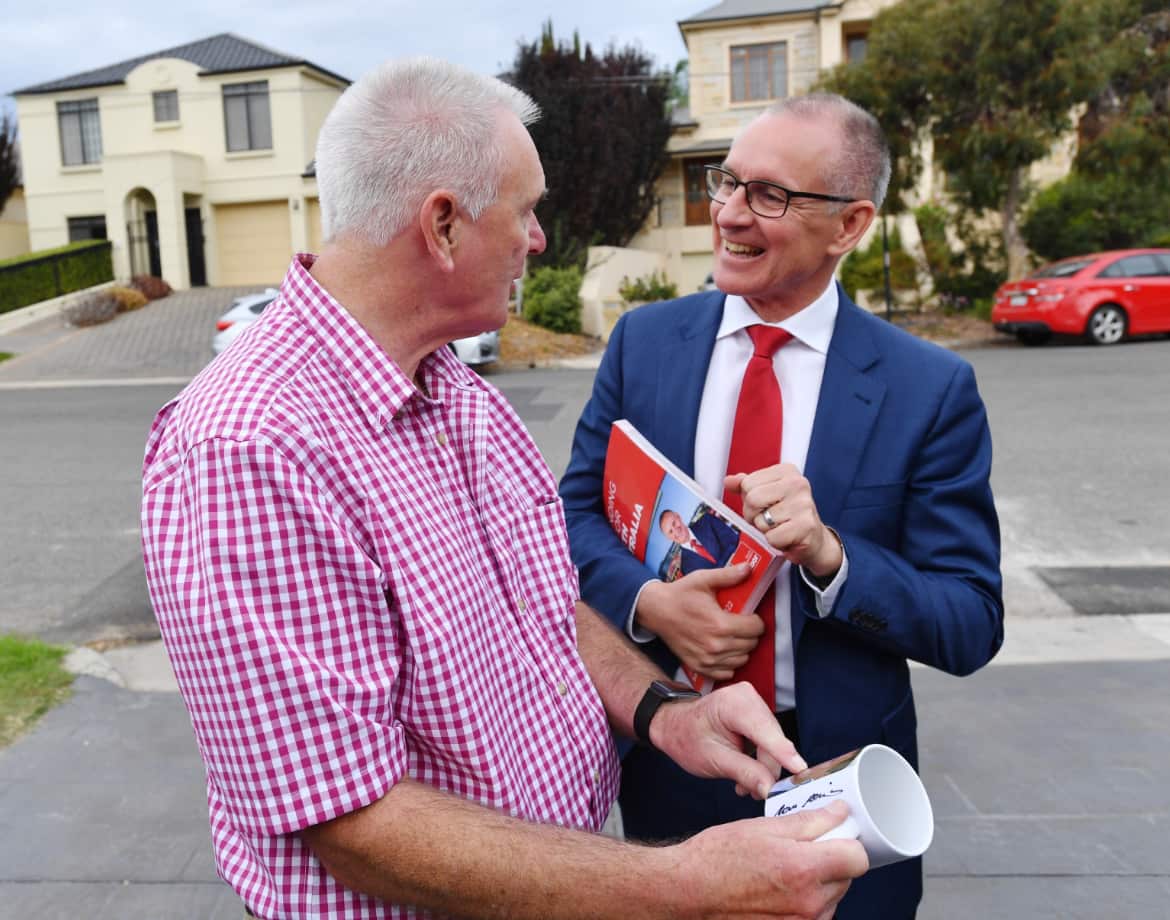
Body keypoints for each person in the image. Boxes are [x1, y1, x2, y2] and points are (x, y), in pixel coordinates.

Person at [140, 60, 868, 920]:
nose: (538, 240)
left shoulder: (456, 390)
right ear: (443, 225)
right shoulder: (250, 447)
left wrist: (666, 713)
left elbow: (543, 607)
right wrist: (687, 886)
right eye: (525, 210)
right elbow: (350, 818)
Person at [559, 93, 1005, 919]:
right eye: (727, 182)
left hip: (837, 781)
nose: (729, 213)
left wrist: (834, 560)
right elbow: (569, 521)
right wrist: (651, 604)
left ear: (850, 224)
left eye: (770, 195)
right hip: (672, 753)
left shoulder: (929, 389)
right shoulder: (645, 344)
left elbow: (971, 620)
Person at [659, 506, 739, 573]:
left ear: (678, 516)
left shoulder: (707, 521)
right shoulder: (685, 567)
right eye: (670, 532)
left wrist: (717, 573)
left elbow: (732, 541)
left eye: (674, 523)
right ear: (669, 538)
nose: (676, 530)